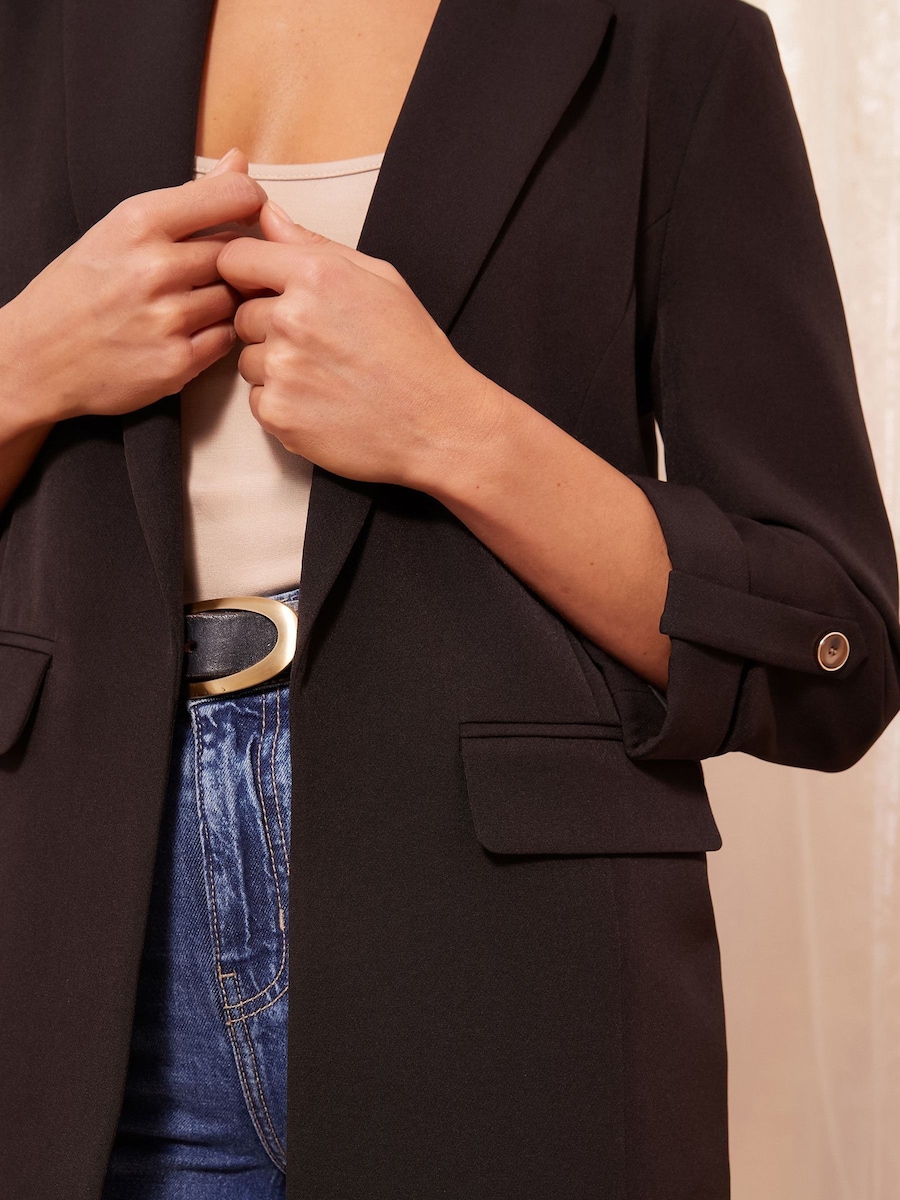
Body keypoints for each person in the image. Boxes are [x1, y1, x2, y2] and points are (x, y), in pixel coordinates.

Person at [1, 0, 898, 1197]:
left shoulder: (666, 37)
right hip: (57, 954)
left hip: (509, 976)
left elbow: (831, 651)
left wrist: (456, 428)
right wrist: (22, 364)